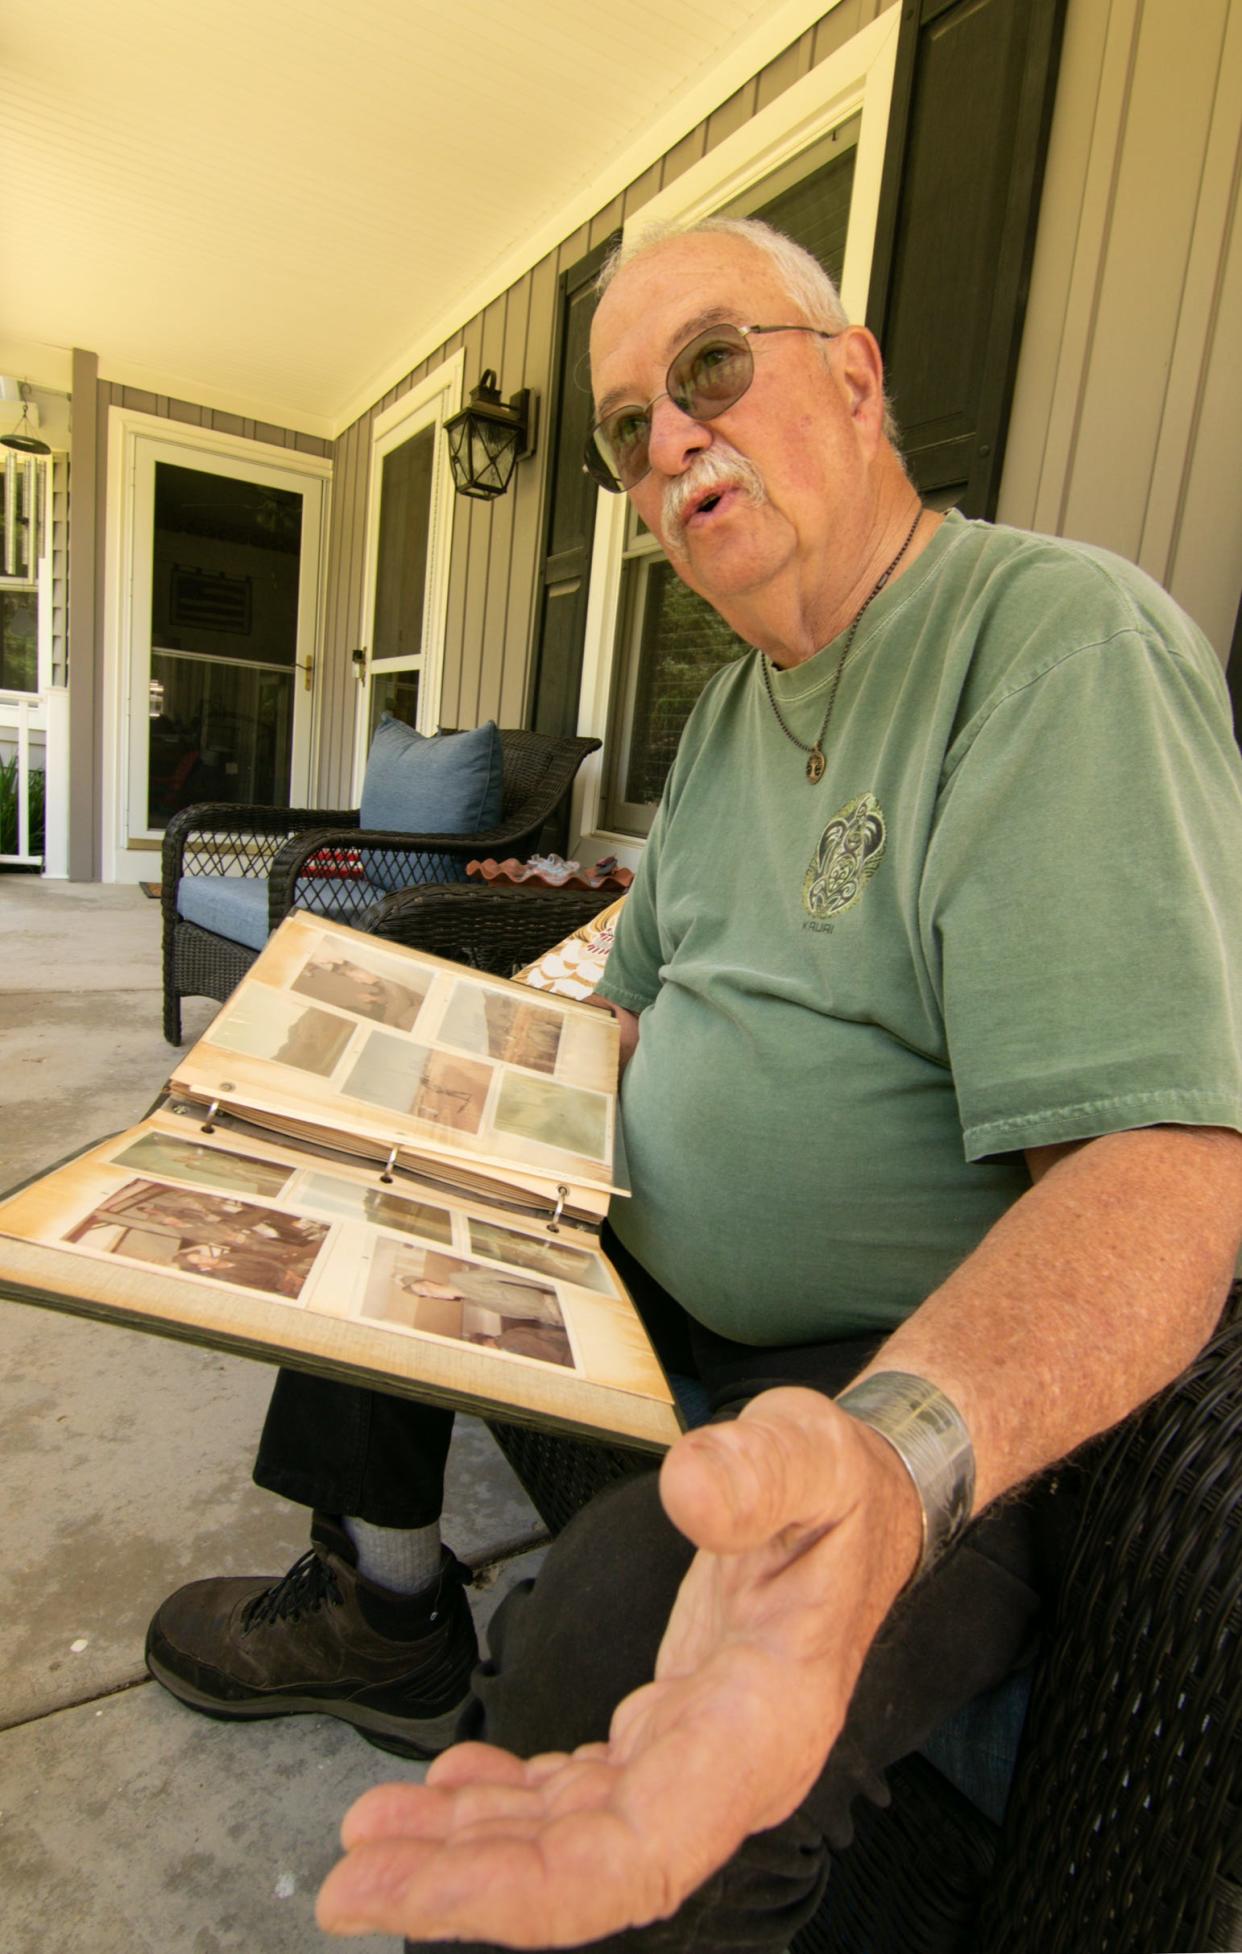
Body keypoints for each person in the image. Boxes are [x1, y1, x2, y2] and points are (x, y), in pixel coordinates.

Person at [145, 217, 1242, 1952]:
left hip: (884, 1367)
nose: (665, 441)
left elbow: (1160, 1176)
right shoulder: (737, 711)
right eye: (625, 426)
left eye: (711, 367)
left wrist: (892, 1465)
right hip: (643, 1273)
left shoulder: (1046, 648)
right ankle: (389, 1605)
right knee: (358, 1166)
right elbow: (633, 1010)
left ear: (857, 375)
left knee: (614, 1663)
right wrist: (425, 1094)